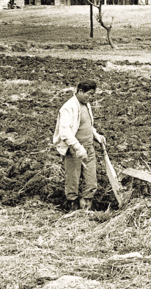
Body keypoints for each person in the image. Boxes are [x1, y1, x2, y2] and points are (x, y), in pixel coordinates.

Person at [53, 80, 106, 211]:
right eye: (89, 94)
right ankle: (72, 208)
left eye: (93, 95)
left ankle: (86, 207)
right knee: (73, 180)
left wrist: (96, 135)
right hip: (74, 150)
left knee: (91, 180)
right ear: (80, 91)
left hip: (89, 147)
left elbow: (87, 124)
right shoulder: (68, 107)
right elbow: (65, 132)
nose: (92, 97)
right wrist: (77, 147)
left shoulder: (86, 105)